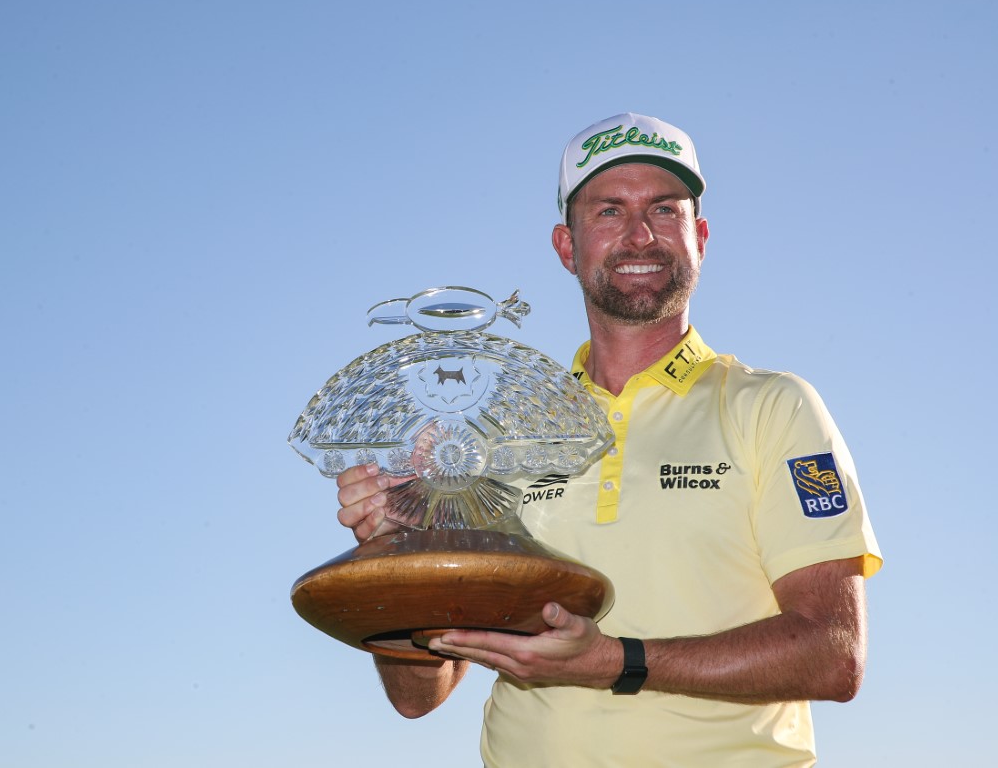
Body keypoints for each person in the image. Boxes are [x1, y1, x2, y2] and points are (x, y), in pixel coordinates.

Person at [335, 113, 883, 766]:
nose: (640, 234)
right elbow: (420, 694)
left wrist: (614, 662)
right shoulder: (499, 438)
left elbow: (833, 653)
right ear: (567, 247)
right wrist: (401, 554)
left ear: (699, 237)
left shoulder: (773, 408)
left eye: (664, 210)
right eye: (609, 212)